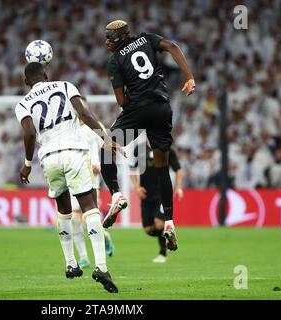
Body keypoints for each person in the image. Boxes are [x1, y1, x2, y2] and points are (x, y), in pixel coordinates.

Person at [15, 62, 123, 293]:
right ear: (46, 74)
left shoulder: (23, 103)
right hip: (74, 151)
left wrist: (26, 164)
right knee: (90, 208)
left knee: (64, 210)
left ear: (26, 82)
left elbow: (29, 133)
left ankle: (71, 264)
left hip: (49, 157)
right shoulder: (65, 86)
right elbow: (84, 113)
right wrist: (105, 138)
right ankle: (101, 267)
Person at [100, 19, 195, 252]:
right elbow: (172, 46)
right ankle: (170, 224)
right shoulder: (147, 38)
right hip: (162, 107)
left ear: (120, 38)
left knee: (105, 149)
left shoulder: (114, 61)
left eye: (109, 38)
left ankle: (116, 196)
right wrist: (189, 77)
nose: (106, 42)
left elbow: (122, 101)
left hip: (138, 110)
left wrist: (135, 109)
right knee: (162, 166)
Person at [130, 139, 184, 263]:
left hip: (162, 194)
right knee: (148, 229)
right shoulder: (139, 149)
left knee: (159, 223)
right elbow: (132, 169)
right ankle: (170, 237)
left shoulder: (166, 148)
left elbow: (179, 170)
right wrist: (136, 187)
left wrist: (179, 188)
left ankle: (163, 253)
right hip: (146, 195)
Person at [70, 121, 114, 269]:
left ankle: (104, 237)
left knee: (88, 217)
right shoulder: (68, 127)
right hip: (73, 174)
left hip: (91, 175)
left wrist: (99, 163)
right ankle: (84, 258)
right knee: (74, 220)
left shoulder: (94, 126)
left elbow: (107, 145)